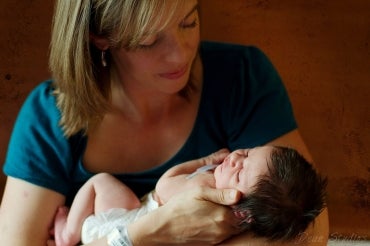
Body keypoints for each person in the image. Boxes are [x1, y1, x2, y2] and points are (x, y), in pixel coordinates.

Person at [0, 0, 329, 245]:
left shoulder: (242, 78)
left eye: (188, 22)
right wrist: (147, 233)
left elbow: (309, 230)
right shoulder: (49, 116)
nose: (180, 55)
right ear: (99, 37)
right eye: (148, 41)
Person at [53, 146, 327, 246]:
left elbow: (164, 186)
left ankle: (68, 233)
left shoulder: (203, 187)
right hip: (131, 231)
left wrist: (203, 161)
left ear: (242, 208)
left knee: (100, 181)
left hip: (116, 226)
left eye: (240, 172)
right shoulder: (235, 221)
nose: (233, 159)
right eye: (246, 153)